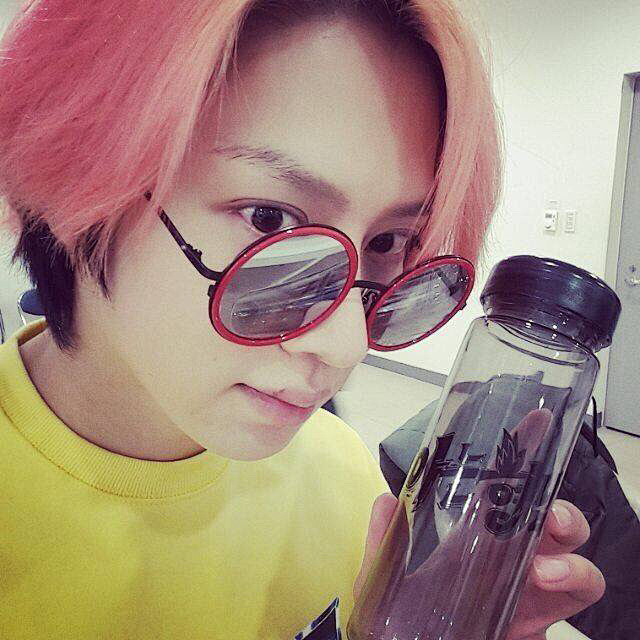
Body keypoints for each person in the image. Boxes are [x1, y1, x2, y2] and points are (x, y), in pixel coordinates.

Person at [0, 1, 604, 638]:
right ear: (74, 176)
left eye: (388, 242)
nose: (347, 344)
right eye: (270, 220)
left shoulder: (340, 473)